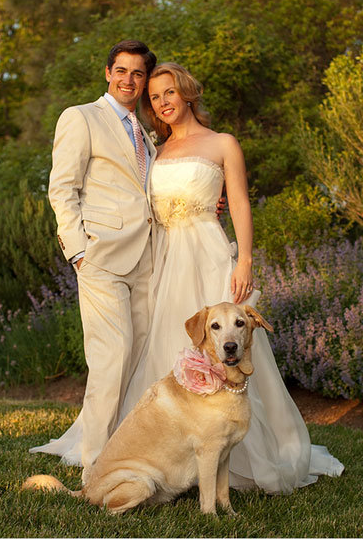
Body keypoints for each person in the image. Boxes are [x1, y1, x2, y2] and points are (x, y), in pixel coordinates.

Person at [119, 62, 344, 493]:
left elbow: (239, 203)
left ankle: (241, 457)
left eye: (169, 92)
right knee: (168, 348)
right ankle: (173, 459)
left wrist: (244, 261)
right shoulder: (154, 150)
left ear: (186, 92)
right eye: (154, 97)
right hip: (165, 261)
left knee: (225, 349)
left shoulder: (223, 143)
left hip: (208, 253)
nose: (163, 102)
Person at [30, 40, 158, 484]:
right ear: (108, 72)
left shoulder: (146, 131)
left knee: (139, 358)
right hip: (101, 256)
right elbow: (61, 187)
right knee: (111, 356)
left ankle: (130, 453)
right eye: (121, 71)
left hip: (148, 258)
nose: (129, 80)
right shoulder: (81, 117)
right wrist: (79, 252)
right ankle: (96, 468)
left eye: (138, 74)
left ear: (144, 81)